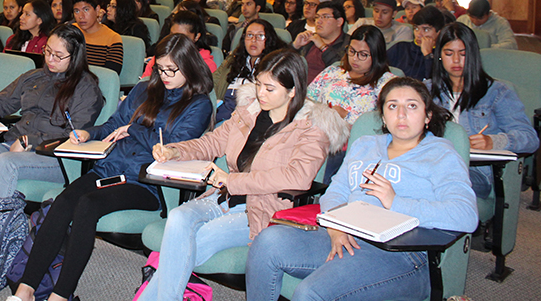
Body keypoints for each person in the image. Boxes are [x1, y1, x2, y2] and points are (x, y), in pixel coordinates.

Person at [9, 34, 214, 301]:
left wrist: (134, 129)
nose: (164, 75)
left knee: (87, 205)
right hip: (111, 168)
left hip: (147, 182)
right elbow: (112, 127)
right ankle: (26, 289)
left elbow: (174, 146)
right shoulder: (144, 90)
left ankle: (60, 295)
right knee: (63, 200)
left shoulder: (198, 104)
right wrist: (88, 134)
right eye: (160, 68)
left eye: (171, 70)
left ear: (189, 66)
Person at [138, 49, 348, 301]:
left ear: (292, 91)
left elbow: (298, 177)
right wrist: (174, 151)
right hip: (224, 197)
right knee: (179, 216)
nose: (260, 93)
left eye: (270, 89)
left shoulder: (311, 128)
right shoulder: (249, 113)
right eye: (259, 84)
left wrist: (231, 180)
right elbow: (212, 142)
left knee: (185, 247)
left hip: (261, 210)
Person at [246, 77, 478, 301]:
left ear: (427, 116)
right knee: (266, 242)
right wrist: (336, 226)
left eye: (412, 106)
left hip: (400, 253)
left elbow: (465, 216)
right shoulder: (366, 145)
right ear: (384, 117)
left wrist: (395, 202)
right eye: (392, 106)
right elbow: (336, 192)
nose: (401, 114)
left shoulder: (441, 154)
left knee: (310, 292)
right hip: (345, 236)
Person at [0, 23, 105, 278]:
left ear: (75, 56)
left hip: (55, 158)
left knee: (5, 163)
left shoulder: (86, 87)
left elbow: (76, 133)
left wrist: (30, 141)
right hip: (13, 145)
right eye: (47, 52)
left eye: (58, 56)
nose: (50, 59)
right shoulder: (34, 76)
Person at [430, 22, 539, 198]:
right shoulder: (426, 91)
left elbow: (529, 138)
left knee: (441, 182)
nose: (456, 60)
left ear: (473, 56)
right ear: (439, 56)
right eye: (449, 53)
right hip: (432, 164)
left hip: (474, 172)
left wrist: (493, 142)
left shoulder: (496, 92)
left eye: (463, 54)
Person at [309, 25, 394, 180]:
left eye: (363, 54)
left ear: (376, 56)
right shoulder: (333, 72)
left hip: (353, 144)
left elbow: (385, 120)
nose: (355, 58)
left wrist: (346, 115)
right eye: (352, 51)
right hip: (315, 132)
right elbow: (307, 98)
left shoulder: (385, 82)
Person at [214, 19, 286, 123]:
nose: (253, 40)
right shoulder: (233, 60)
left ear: (269, 40)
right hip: (220, 116)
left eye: (260, 36)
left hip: (248, 122)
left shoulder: (275, 66)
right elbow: (212, 82)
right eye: (249, 35)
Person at [144, 10, 216, 77]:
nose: (176, 41)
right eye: (173, 35)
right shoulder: (159, 59)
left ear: (196, 37)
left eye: (183, 37)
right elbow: (144, 85)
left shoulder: (206, 65)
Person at [292, 1, 349, 83]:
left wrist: (323, 47)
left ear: (339, 22)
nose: (318, 21)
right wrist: (295, 46)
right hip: (299, 87)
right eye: (317, 17)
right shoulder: (310, 39)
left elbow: (341, 70)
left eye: (325, 17)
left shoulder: (349, 44)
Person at [387, 6, 449, 82]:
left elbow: (435, 83)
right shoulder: (400, 48)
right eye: (416, 28)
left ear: (439, 32)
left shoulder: (444, 54)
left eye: (426, 29)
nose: (419, 34)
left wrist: (428, 55)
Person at [72, 0, 123, 74]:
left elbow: (110, 76)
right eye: (77, 11)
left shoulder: (112, 39)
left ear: (97, 10)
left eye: (86, 10)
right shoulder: (70, 32)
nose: (81, 16)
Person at [349, 0, 414, 44]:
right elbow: (347, 43)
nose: (379, 16)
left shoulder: (402, 30)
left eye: (385, 12)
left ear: (394, 14)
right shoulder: (362, 23)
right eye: (376, 11)